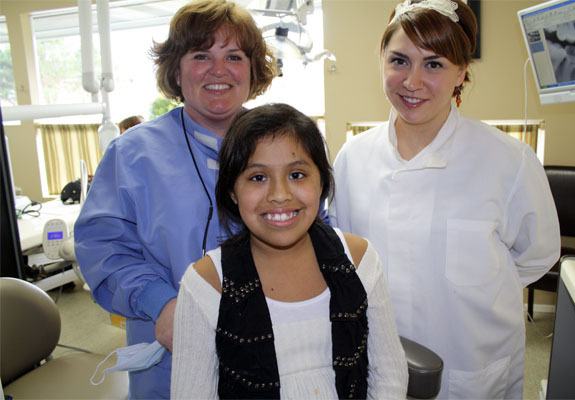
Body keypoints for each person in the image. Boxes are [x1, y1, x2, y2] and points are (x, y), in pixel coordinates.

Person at [330, 0, 561, 398]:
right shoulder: (353, 159)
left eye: (433, 64)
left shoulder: (508, 160)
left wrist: (471, 288)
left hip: (471, 365)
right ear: (381, 61)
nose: (412, 81)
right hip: (382, 364)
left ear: (461, 73)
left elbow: (537, 255)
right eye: (399, 60)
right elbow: (347, 259)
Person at [74, 0, 277, 397]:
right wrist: (162, 304)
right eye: (201, 55)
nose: (218, 70)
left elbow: (316, 232)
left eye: (233, 56)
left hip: (271, 348)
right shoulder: (133, 154)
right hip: (170, 355)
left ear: (252, 69)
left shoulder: (281, 146)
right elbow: (103, 247)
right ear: (176, 70)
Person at [171, 103, 408, 399]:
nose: (280, 195)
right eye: (258, 177)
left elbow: (389, 376)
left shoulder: (359, 260)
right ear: (232, 190)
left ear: (321, 181)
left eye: (297, 175)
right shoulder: (206, 283)